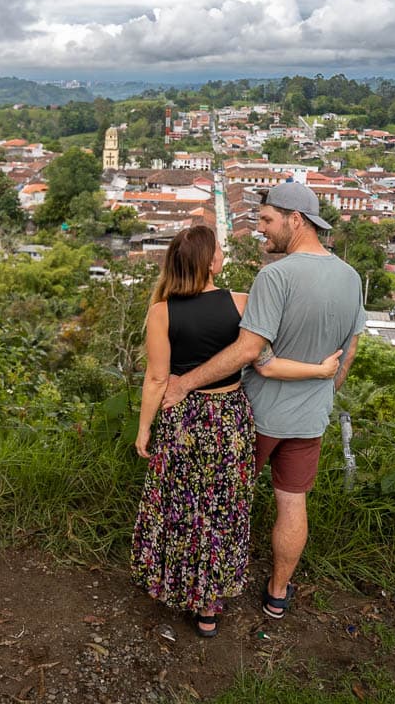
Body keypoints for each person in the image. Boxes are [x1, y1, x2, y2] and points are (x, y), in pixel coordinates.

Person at [162, 183, 365, 621]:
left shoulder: (276, 276)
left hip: (255, 414)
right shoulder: (351, 278)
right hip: (310, 417)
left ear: (297, 220)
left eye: (268, 220)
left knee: (219, 503)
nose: (261, 231)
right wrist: (324, 392)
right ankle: (277, 592)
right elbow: (348, 352)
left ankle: (209, 601)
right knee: (293, 504)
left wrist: (184, 383)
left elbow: (248, 351)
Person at [131, 224, 341, 638]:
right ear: (210, 263)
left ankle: (175, 586)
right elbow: (265, 362)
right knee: (221, 511)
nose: (223, 255)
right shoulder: (242, 304)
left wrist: (144, 429)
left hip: (183, 419)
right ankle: (209, 607)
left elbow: (156, 379)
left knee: (181, 508)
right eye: (220, 250)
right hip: (229, 419)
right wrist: (319, 370)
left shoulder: (162, 311)